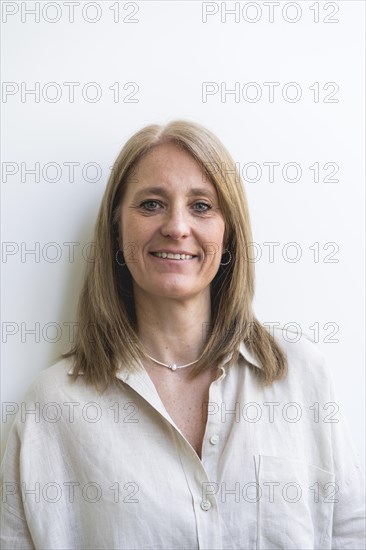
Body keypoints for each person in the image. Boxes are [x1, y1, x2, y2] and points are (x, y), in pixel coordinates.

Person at [1, 120, 365, 549]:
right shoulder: (52, 409)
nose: (176, 226)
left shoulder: (301, 376)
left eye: (201, 206)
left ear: (228, 234)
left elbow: (349, 533)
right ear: (117, 228)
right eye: (152, 204)